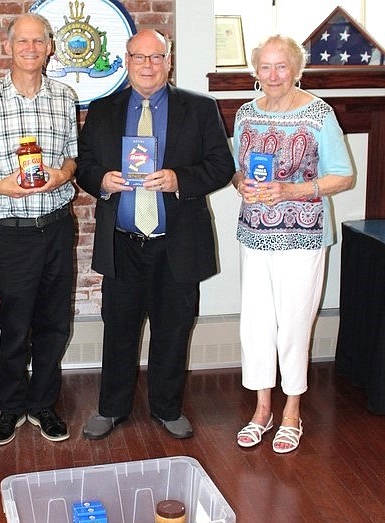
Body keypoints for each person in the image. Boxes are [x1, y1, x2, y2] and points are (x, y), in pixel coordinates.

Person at [76, 30, 235, 440]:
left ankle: (166, 408)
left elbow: (220, 165)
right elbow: (85, 165)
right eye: (138, 57)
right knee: (119, 328)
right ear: (126, 61)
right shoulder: (103, 109)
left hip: (176, 242)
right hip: (124, 242)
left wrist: (179, 179)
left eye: (156, 57)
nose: (147, 65)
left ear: (169, 61)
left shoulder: (199, 109)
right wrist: (103, 181)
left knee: (174, 328)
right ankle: (111, 408)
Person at [0, 14, 77, 446]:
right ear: (8, 47)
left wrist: (62, 176)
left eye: (38, 41)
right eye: (22, 41)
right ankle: (10, 408)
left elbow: (72, 160)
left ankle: (43, 404)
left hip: (58, 227)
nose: (30, 48)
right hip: (11, 231)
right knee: (14, 321)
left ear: (49, 48)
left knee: (54, 323)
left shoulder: (64, 97)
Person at [232, 35, 353, 453]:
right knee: (256, 324)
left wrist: (290, 190)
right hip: (254, 235)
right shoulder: (246, 114)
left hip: (303, 235)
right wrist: (242, 185)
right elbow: (235, 169)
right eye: (264, 67)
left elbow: (343, 175)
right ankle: (262, 409)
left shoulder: (319, 114)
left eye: (281, 66)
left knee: (295, 323)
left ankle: (291, 412)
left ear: (297, 69)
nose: (273, 75)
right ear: (255, 71)